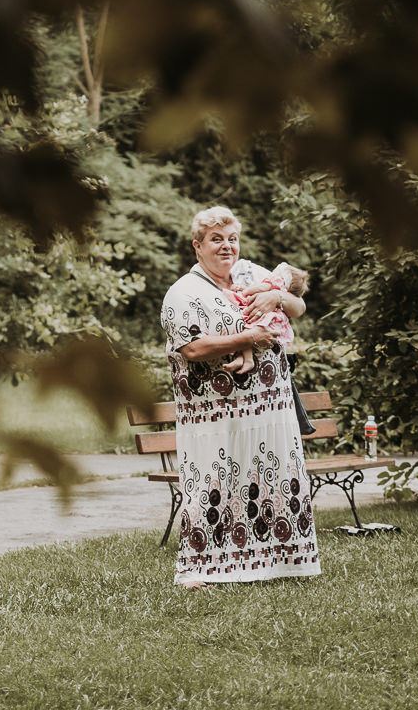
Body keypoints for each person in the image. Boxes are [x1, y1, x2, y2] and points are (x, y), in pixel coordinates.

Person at [161, 206, 321, 585]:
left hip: (268, 409)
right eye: (216, 239)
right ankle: (198, 569)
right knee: (213, 483)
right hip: (215, 415)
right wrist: (248, 339)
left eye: (232, 238)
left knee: (272, 478)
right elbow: (193, 349)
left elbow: (299, 306)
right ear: (197, 246)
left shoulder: (252, 273)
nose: (226, 246)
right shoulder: (184, 292)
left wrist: (277, 299)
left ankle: (278, 562)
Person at [221, 262, 309, 375]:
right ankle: (242, 357)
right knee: (247, 332)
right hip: (272, 319)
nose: (273, 271)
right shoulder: (283, 289)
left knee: (247, 330)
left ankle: (247, 360)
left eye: (278, 270)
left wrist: (242, 291)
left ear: (282, 276)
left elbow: (254, 289)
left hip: (262, 317)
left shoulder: (273, 281)